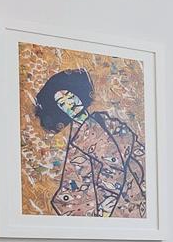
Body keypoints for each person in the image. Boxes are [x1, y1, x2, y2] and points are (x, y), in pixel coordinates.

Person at [31, 68, 147, 218]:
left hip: (138, 197)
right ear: (59, 110)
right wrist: (103, 211)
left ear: (78, 95)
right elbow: (75, 187)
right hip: (113, 208)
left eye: (70, 96)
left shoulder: (107, 120)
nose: (70, 104)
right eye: (62, 103)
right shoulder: (75, 146)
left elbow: (139, 151)